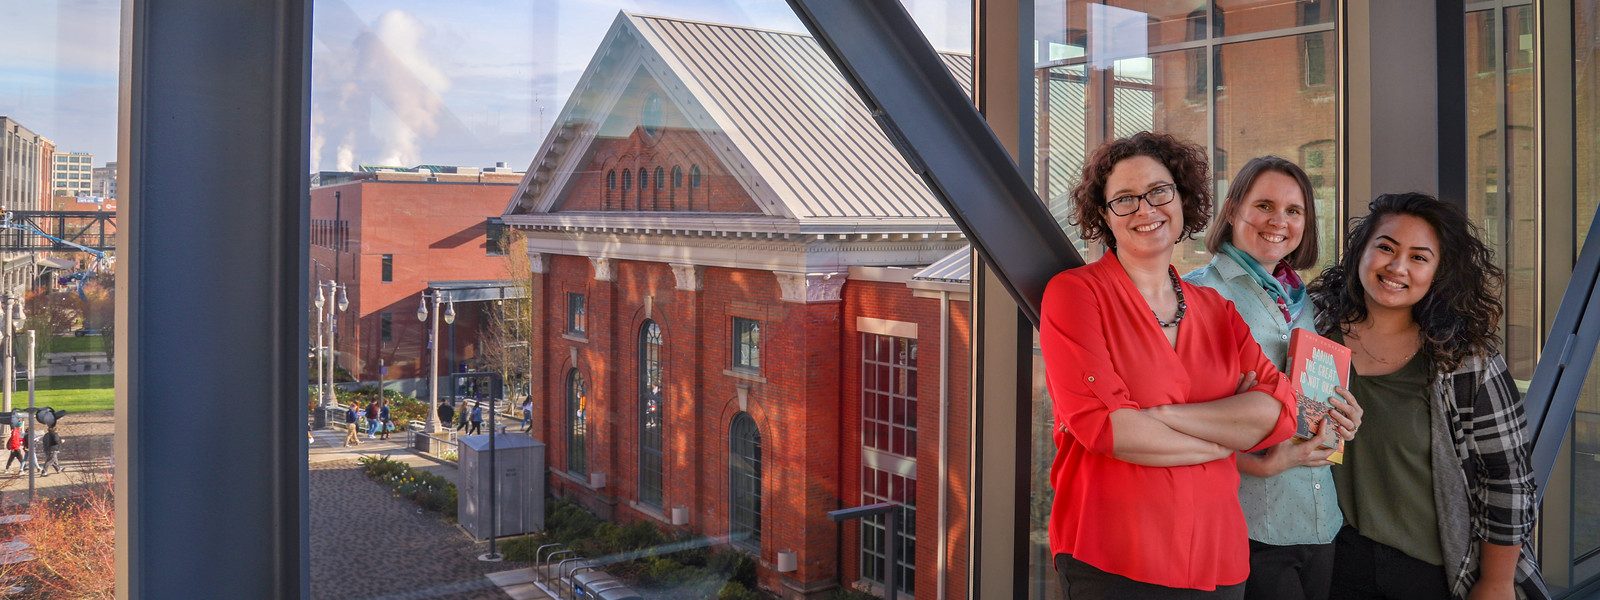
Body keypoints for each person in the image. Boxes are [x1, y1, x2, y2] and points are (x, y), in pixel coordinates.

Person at [1040, 131, 1298, 598]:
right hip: (1115, 555)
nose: (1145, 209)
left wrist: (1160, 417)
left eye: (1159, 191)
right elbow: (1106, 429)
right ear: (1103, 215)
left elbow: (1279, 413)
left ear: (1182, 198)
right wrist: (1224, 437)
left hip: (1219, 557)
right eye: (1124, 199)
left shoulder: (1218, 311)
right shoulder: (1075, 295)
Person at [1308, 193, 1548, 600]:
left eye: (1419, 257)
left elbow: (1509, 480)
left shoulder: (1466, 362)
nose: (1397, 267)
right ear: (1360, 252)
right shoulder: (1312, 327)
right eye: (1385, 247)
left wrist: (1496, 582)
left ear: (1439, 271)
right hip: (1332, 560)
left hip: (1434, 571)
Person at [1183, 156, 1364, 600]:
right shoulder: (1196, 294)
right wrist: (1257, 463)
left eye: (1293, 210)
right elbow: (1176, 414)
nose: (1278, 221)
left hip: (1320, 519)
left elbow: (1313, 400)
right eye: (1264, 204)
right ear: (1232, 211)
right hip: (1246, 525)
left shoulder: (1306, 302)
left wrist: (1346, 419)